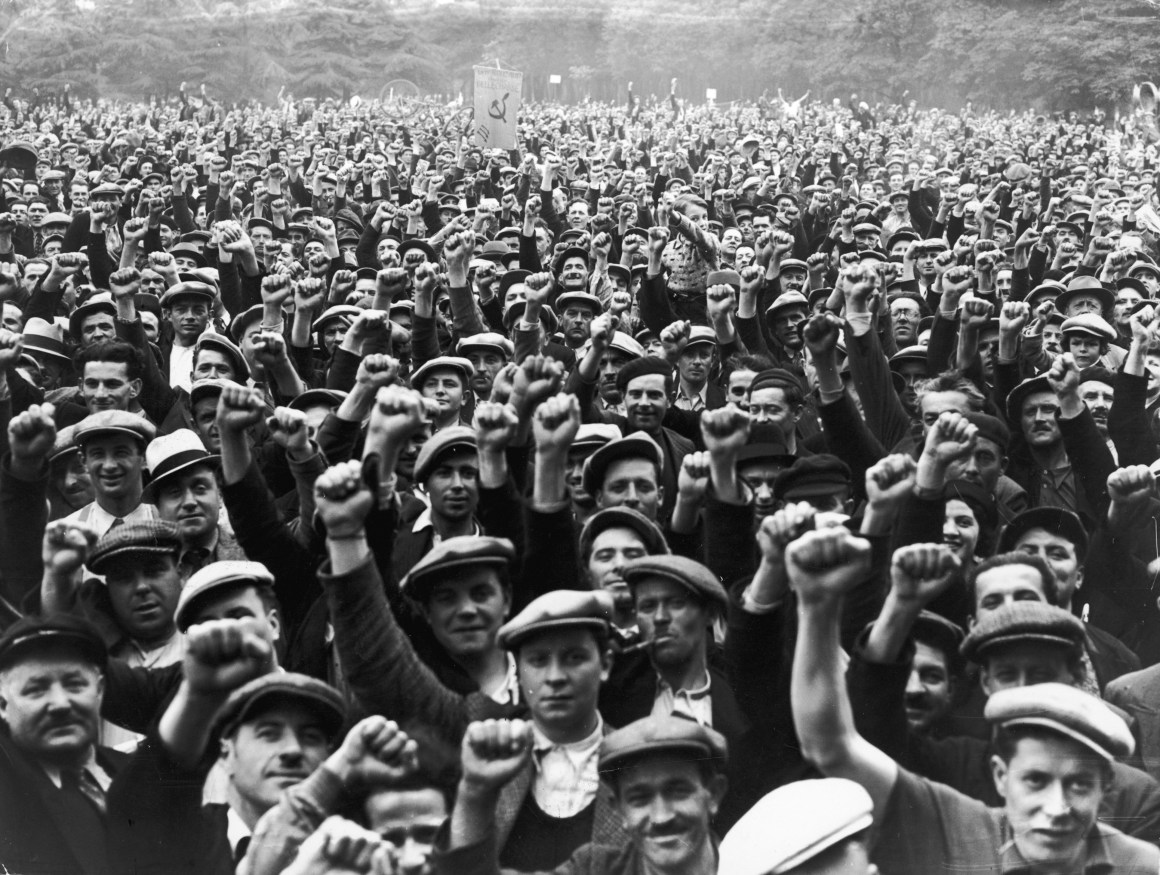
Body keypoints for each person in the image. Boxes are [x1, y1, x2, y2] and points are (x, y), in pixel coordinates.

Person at [788, 527, 1160, 873]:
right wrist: (816, 604)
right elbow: (830, 743)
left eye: (1079, 784)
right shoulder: (962, 818)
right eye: (1034, 780)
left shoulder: (1141, 852)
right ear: (1001, 775)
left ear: (1106, 782)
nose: (1056, 808)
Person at [436, 715, 727, 875]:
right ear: (619, 810)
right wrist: (475, 791)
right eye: (639, 798)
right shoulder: (596, 869)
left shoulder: (756, 862)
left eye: (678, 791)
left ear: (712, 795)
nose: (661, 816)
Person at [0, 613, 124, 875]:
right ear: (2, 705)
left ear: (99, 691)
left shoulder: (137, 775)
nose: (60, 703)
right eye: (36, 689)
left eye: (74, 685)